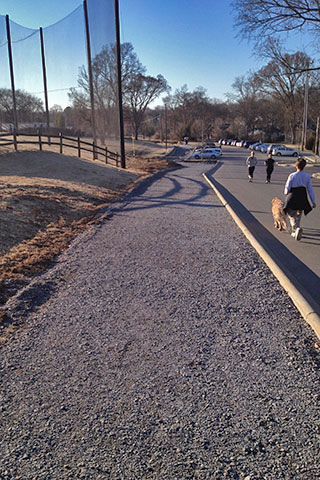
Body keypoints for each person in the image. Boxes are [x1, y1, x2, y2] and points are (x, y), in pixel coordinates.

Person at [283, 157, 316, 241]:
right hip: (302, 197)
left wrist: (286, 192)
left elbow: (287, 187)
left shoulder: (292, 175)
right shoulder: (307, 176)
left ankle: (295, 227)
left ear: (296, 166)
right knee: (299, 213)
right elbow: (310, 189)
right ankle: (297, 229)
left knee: (291, 213)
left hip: (293, 195)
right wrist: (313, 201)